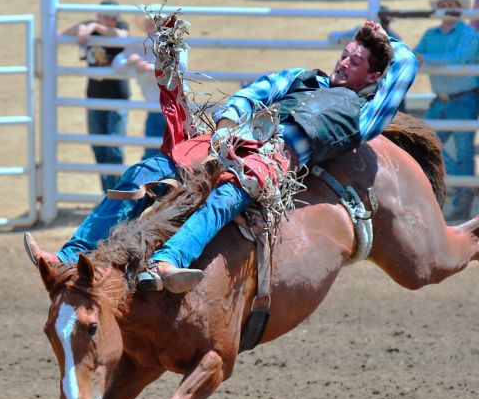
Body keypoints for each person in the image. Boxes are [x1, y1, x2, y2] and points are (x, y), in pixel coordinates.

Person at [27, 20, 417, 295]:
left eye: (355, 61)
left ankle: (167, 260)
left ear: (372, 78)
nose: (343, 62)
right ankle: (70, 254)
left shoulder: (364, 113)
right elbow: (257, 91)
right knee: (144, 173)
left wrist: (385, 38)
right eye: (345, 54)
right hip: (223, 143)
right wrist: (229, 121)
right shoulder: (302, 77)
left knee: (224, 199)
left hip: (269, 162)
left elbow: (406, 64)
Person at [415, 0, 479, 221]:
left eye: (450, 6)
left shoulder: (469, 35)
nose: (446, 9)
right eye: (443, 6)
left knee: (461, 149)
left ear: (459, 9)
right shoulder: (431, 35)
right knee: (425, 145)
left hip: (464, 99)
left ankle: (462, 197)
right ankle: (455, 192)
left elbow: (458, 59)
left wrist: (425, 59)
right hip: (442, 99)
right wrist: (421, 58)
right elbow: (415, 55)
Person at [60, 0, 130, 192]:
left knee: (114, 148)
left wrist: (93, 26)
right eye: (104, 16)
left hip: (117, 97)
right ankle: (107, 193)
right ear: (98, 15)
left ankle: (115, 195)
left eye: (112, 16)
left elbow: (122, 34)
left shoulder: (119, 27)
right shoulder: (91, 29)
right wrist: (84, 26)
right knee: (99, 148)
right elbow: (60, 35)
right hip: (94, 96)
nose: (109, 20)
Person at [112, 15, 183, 160]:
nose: (153, 27)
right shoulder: (141, 46)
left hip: (173, 107)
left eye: (157, 23)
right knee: (154, 153)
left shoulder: (174, 44)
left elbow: (180, 67)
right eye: (149, 24)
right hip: (156, 107)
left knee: (170, 154)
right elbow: (118, 63)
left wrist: (147, 66)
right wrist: (132, 62)